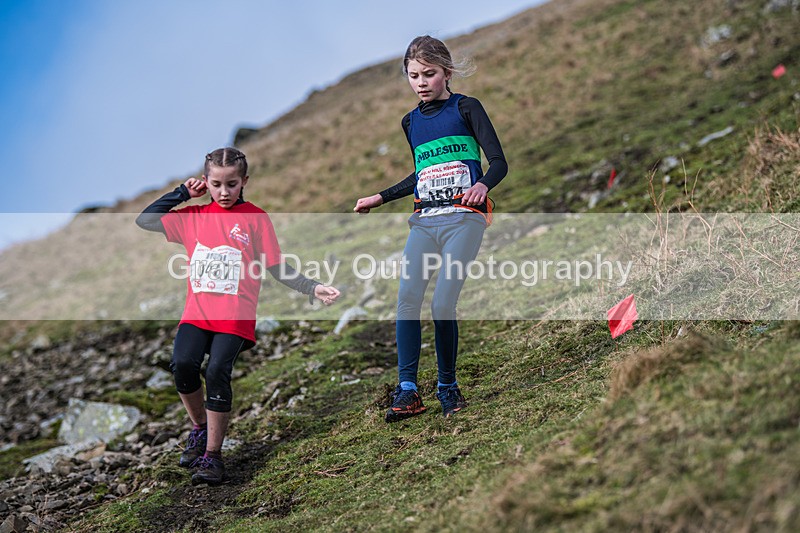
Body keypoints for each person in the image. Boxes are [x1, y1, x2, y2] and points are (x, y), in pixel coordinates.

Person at [137, 147, 340, 485]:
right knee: (183, 365)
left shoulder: (256, 218)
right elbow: (145, 219)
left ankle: (213, 457)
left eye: (232, 184)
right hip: (196, 314)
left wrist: (311, 287)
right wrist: (182, 194)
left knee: (217, 370)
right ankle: (200, 429)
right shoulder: (194, 218)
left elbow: (276, 267)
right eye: (216, 184)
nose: (224, 192)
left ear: (244, 181)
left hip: (235, 316)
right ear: (206, 182)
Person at [353, 36, 507, 422]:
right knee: (407, 300)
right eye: (414, 75)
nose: (421, 82)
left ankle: (447, 386)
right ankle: (407, 391)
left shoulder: (466, 107)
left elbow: (499, 161)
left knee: (441, 304)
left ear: (447, 73)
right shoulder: (411, 122)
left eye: (429, 74)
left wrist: (482, 184)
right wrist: (381, 196)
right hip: (424, 222)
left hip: (464, 220)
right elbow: (421, 174)